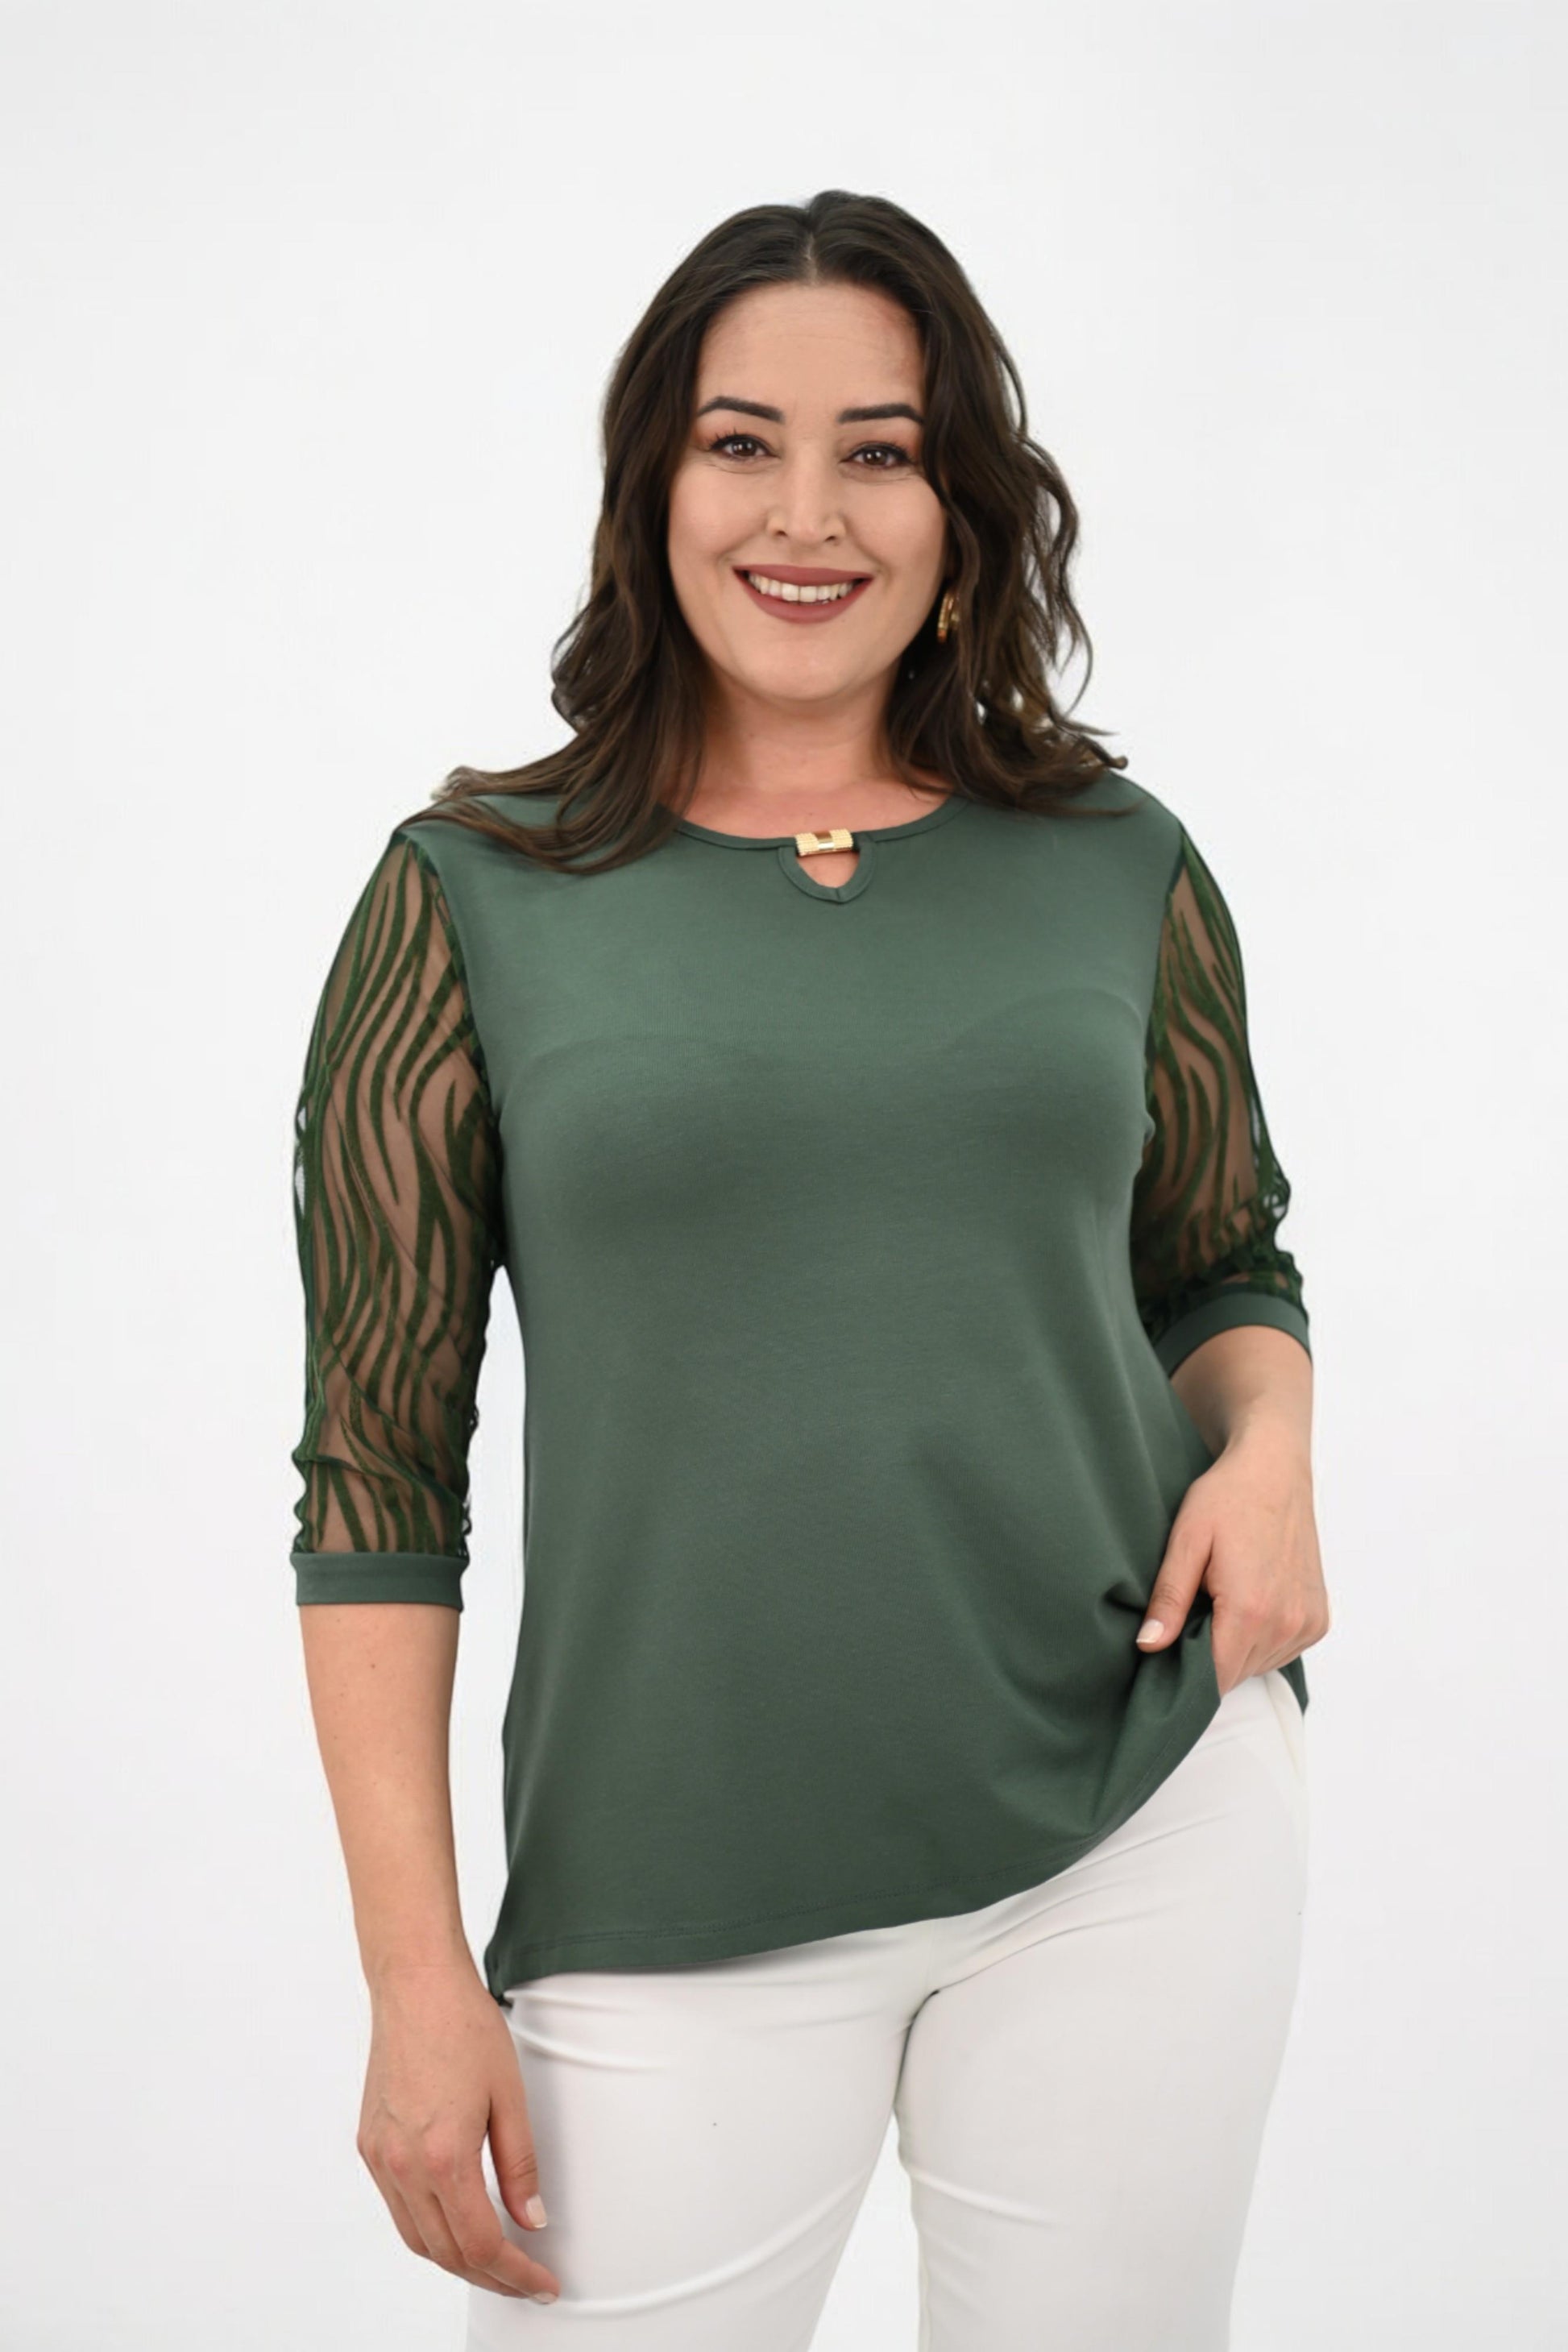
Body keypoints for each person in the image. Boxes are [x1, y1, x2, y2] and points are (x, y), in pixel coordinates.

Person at [288, 189, 1331, 2350]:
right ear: (651, 485)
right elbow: (377, 1475)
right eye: (740, 443)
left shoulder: (1115, 862)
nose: (807, 514)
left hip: (1135, 1829)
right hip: (667, 1887)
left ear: (961, 508)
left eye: (880, 450)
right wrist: (415, 1979)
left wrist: (1271, 1446)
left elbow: (1220, 1265)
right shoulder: (470, 896)